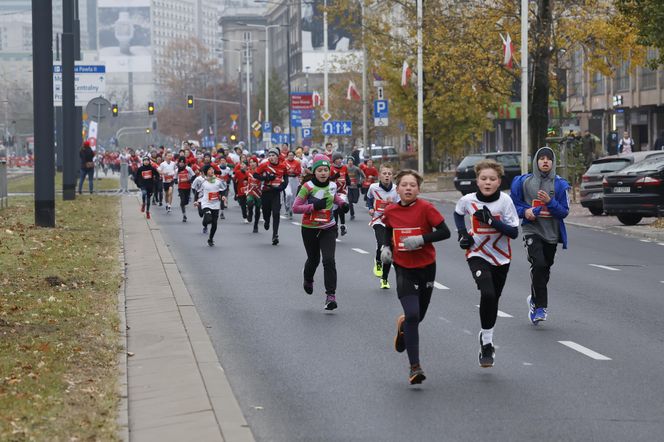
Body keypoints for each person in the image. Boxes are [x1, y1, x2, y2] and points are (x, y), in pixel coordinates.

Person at [380, 169, 451, 384]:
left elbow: (445, 232)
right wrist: (385, 247)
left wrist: (421, 239)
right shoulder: (391, 210)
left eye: (412, 185)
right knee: (412, 314)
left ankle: (404, 329)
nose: (408, 188)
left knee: (418, 317)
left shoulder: (426, 208)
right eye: (404, 185)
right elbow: (387, 228)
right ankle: (415, 367)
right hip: (403, 267)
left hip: (426, 267)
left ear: (418, 189)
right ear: (397, 188)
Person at [454, 160, 519, 368]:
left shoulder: (505, 202)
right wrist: (463, 234)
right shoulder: (468, 200)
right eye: (483, 179)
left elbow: (514, 233)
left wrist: (492, 222)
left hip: (501, 257)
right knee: (487, 293)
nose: (487, 182)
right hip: (477, 254)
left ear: (499, 182)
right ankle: (488, 343)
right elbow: (458, 213)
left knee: (493, 300)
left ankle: (485, 334)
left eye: (492, 179)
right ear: (477, 181)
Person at [510, 147, 570, 325]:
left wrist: (550, 202)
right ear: (536, 161)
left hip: (551, 234)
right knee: (539, 264)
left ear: (553, 163)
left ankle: (534, 299)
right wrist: (526, 211)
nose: (545, 161)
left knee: (544, 269)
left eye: (548, 159)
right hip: (532, 230)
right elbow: (513, 206)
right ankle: (540, 308)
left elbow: (564, 212)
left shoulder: (560, 184)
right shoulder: (524, 182)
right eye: (541, 158)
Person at [292, 154, 350, 311]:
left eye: (326, 170)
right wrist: (313, 206)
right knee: (313, 259)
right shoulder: (307, 187)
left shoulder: (332, 185)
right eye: (320, 170)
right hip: (310, 228)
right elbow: (296, 207)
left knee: (329, 260)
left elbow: (335, 197)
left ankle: (330, 296)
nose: (323, 173)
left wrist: (343, 204)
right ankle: (308, 278)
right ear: (314, 171)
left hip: (329, 227)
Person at [367, 163, 399, 289]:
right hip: (378, 220)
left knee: (388, 251)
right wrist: (370, 208)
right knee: (381, 244)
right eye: (384, 173)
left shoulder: (396, 189)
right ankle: (377, 261)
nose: (387, 176)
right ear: (379, 175)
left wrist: (393, 206)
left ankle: (384, 279)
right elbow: (369, 198)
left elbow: (400, 206)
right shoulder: (373, 187)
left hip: (391, 222)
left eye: (389, 174)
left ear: (392, 176)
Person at [254, 147, 288, 245]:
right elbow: (256, 175)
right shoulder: (264, 165)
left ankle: (275, 235)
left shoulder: (282, 166)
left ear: (277, 156)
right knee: (266, 212)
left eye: (273, 155)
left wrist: (282, 186)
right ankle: (266, 220)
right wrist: (266, 178)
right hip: (266, 191)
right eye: (269, 155)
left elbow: (285, 178)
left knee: (276, 213)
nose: (271, 157)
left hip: (276, 192)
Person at [194, 165, 228, 246]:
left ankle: (210, 239)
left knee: (214, 224)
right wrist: (196, 201)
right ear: (206, 172)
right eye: (209, 170)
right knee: (208, 218)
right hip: (206, 203)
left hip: (215, 204)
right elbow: (197, 191)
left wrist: (223, 196)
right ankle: (205, 219)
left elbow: (223, 189)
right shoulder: (203, 182)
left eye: (212, 169)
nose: (211, 171)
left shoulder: (218, 181)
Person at [330, 152, 348, 236]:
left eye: (340, 158)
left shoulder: (344, 167)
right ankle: (335, 227)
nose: (339, 160)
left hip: (343, 192)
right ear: (334, 160)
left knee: (342, 205)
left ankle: (343, 225)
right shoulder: (331, 168)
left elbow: (347, 177)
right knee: (335, 210)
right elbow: (328, 179)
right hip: (334, 192)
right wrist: (334, 177)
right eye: (337, 159)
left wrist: (350, 182)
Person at [246, 157, 263, 233]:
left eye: (254, 162)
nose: (252, 163)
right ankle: (250, 212)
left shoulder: (260, 171)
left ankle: (255, 225)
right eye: (251, 162)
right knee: (249, 202)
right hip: (250, 191)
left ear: (256, 163)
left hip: (259, 192)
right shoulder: (248, 172)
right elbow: (244, 179)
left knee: (257, 209)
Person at [176, 157, 195, 222]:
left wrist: (190, 180)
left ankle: (184, 204)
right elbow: (175, 177)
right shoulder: (177, 170)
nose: (181, 164)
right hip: (180, 188)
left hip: (187, 187)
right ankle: (184, 215)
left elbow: (194, 175)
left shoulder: (188, 169)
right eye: (180, 162)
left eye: (182, 163)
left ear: (185, 163)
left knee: (186, 202)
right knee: (182, 201)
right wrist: (176, 180)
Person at [284, 151, 302, 219]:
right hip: (287, 180)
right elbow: (283, 171)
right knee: (288, 194)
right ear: (287, 156)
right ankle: (287, 206)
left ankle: (290, 210)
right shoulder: (285, 163)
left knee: (293, 197)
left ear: (294, 156)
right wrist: (288, 171)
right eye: (289, 155)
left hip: (294, 179)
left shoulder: (297, 163)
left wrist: (294, 171)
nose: (290, 156)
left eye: (292, 155)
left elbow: (299, 171)